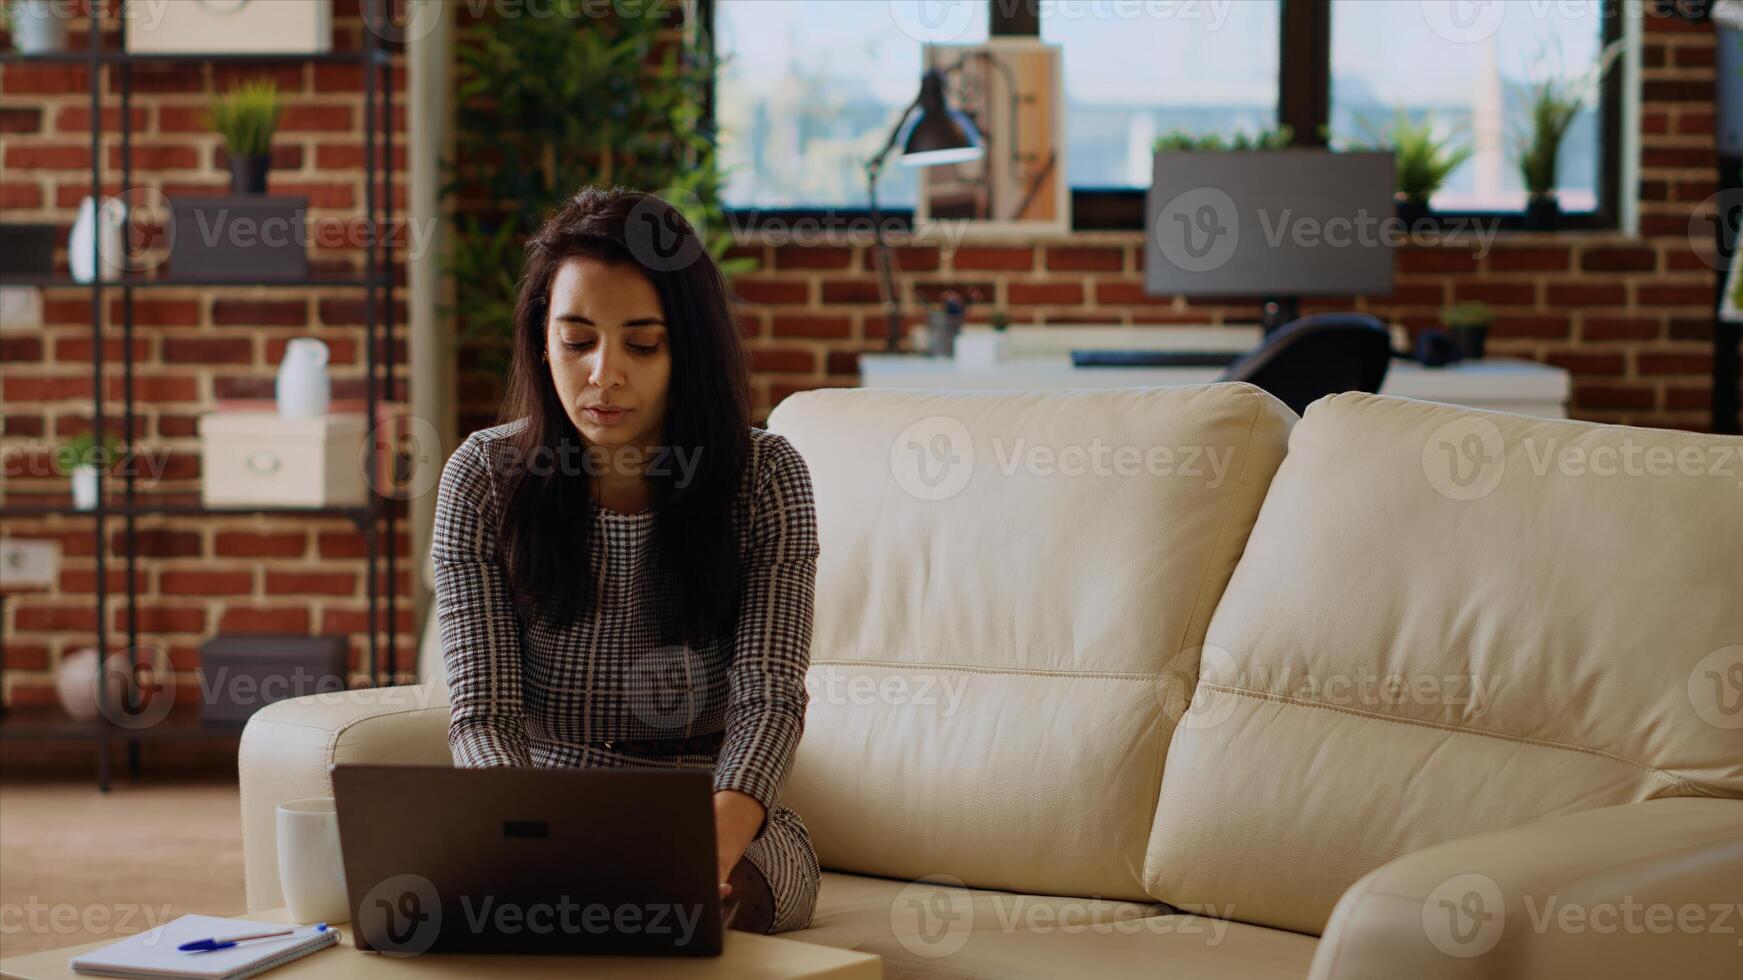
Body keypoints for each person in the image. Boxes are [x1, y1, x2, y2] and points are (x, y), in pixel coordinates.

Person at [431, 186, 820, 935]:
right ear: (541, 341)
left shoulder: (766, 478)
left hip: (718, 815)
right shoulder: (481, 476)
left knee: (678, 910)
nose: (603, 374)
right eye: (577, 341)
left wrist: (705, 847)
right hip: (543, 810)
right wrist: (524, 840)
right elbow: (484, 716)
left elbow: (768, 699)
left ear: (688, 350)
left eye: (641, 344)